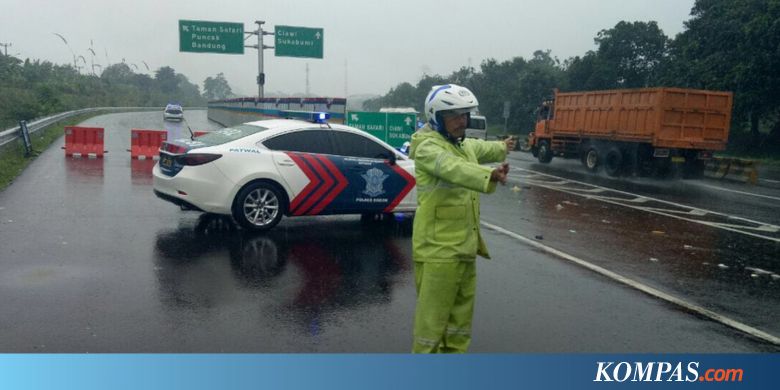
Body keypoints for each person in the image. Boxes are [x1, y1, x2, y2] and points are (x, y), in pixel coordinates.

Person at [409, 84, 516, 353]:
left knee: (459, 327)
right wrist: (488, 175)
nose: (462, 122)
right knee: (430, 330)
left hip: (464, 250)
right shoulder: (427, 148)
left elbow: (479, 147)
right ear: (436, 117)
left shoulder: (461, 144)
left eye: (465, 115)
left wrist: (502, 147)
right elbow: (452, 168)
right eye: (455, 115)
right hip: (438, 253)